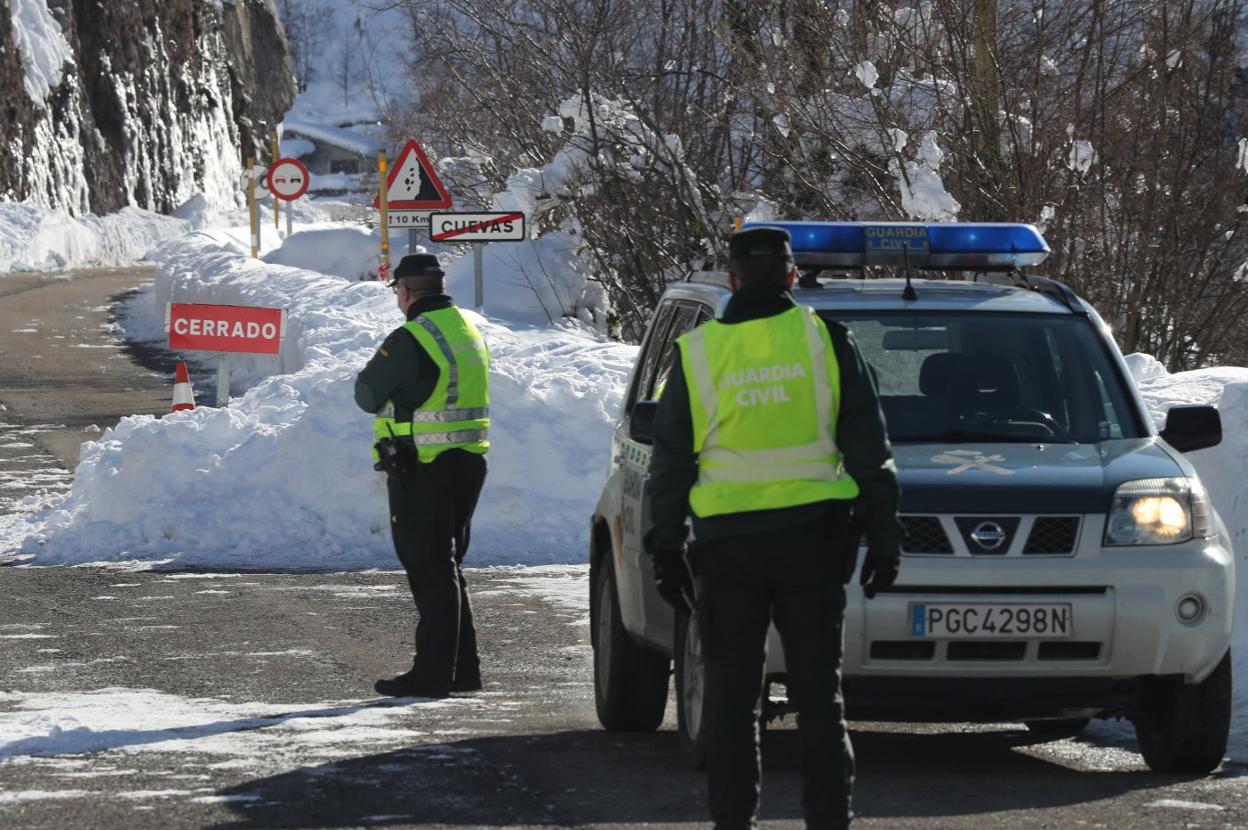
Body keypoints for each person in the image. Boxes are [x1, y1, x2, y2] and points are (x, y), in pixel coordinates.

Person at [645, 226, 902, 829]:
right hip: (813, 544)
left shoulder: (697, 353)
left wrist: (665, 541)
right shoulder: (826, 341)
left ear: (732, 279)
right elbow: (869, 445)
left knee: (732, 702)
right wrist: (885, 532)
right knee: (820, 699)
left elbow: (671, 460)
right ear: (791, 276)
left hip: (727, 550)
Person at [354, 253, 491, 699]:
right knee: (447, 566)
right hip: (468, 461)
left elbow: (367, 393)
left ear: (406, 291)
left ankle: (432, 674)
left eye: (397, 290)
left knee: (430, 568)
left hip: (424, 464)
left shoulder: (413, 338)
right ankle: (462, 669)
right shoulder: (467, 327)